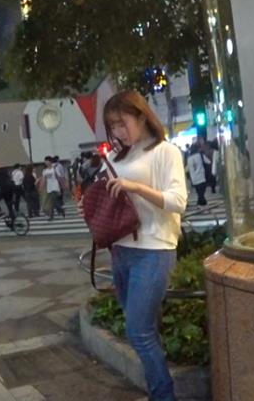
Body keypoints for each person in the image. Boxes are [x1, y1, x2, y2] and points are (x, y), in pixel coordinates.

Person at [78, 90, 187, 401]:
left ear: (141, 116)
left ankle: (164, 395)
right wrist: (89, 205)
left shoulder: (165, 152)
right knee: (142, 329)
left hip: (154, 250)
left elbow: (178, 202)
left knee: (138, 331)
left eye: (122, 123)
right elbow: (106, 195)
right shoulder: (115, 157)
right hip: (121, 250)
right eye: (112, 126)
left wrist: (136, 187)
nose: (117, 132)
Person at [37, 156, 65, 220]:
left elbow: (59, 178)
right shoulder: (45, 170)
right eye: (45, 161)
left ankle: (60, 210)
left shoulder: (55, 169)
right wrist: (40, 188)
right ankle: (52, 216)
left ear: (50, 161)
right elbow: (44, 180)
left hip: (55, 187)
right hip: (49, 188)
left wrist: (63, 185)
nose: (46, 163)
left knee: (54, 201)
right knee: (51, 203)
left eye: (47, 161)